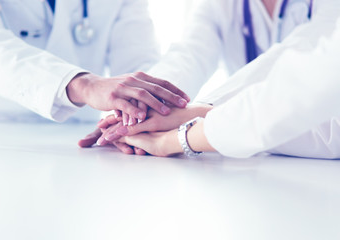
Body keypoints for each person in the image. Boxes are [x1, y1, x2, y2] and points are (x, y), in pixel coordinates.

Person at [83, 0, 340, 159]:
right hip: (256, 140)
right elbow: (190, 53)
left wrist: (194, 117)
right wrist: (141, 110)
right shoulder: (221, 4)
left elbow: (301, 62)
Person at [0, 0, 189, 124]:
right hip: (0, 130)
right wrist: (82, 85)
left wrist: (138, 116)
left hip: (81, 136)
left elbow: (137, 63)